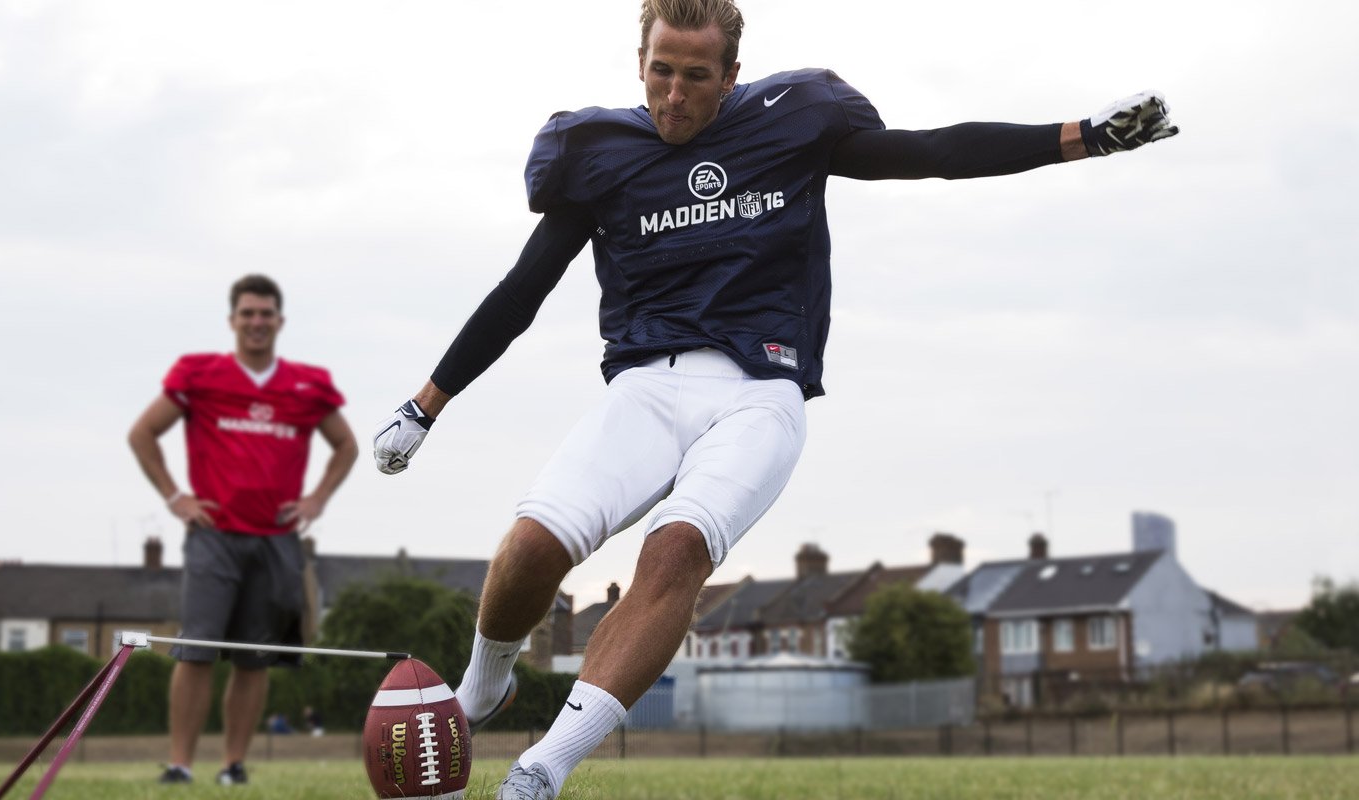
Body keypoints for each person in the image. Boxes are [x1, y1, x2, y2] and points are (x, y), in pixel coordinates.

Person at [372, 1, 1177, 797]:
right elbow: (521, 292)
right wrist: (424, 406)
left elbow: (933, 152)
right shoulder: (599, 153)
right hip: (648, 385)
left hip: (761, 392)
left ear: (731, 77)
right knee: (532, 544)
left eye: (695, 76)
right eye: (661, 72)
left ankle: (542, 769)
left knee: (676, 551)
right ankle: (484, 687)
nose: (675, 94)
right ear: (639, 64)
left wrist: (1085, 137)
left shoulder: (787, 128)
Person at [129, 274, 357, 786]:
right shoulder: (199, 373)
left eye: (265, 313)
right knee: (198, 649)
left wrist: (317, 498)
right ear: (232, 320)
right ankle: (181, 765)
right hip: (214, 537)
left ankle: (233, 765)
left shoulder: (308, 383)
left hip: (277, 541)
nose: (256, 322)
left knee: (255, 658)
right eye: (247, 313)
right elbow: (142, 433)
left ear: (280, 321)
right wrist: (175, 496)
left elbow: (345, 446)